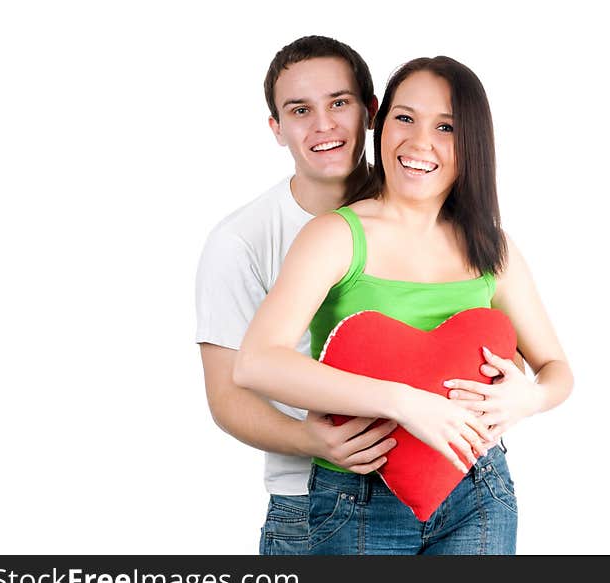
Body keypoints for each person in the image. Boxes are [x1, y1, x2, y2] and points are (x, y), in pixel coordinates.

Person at [234, 56, 574, 554]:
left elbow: (557, 368)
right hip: (359, 496)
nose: (419, 143)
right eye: (405, 118)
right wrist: (403, 402)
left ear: (471, 143)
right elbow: (257, 362)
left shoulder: (491, 248)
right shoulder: (337, 235)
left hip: (477, 491)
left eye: (446, 126)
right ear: (380, 123)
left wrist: (531, 398)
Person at [195, 37, 505, 555]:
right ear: (276, 128)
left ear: (370, 112)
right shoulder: (241, 241)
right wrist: (313, 442)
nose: (323, 125)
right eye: (300, 110)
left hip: (452, 481)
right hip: (313, 493)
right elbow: (228, 393)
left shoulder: (427, 210)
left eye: (339, 103)